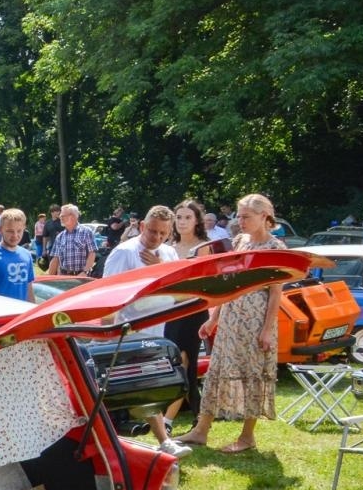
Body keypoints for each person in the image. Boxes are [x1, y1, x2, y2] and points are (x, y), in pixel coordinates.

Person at [177, 194, 288, 454]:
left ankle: (247, 436)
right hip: (231, 315)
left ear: (264, 216)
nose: (241, 221)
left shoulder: (275, 247)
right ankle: (201, 430)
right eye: (239, 215)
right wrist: (213, 318)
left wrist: (266, 330)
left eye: (246, 216)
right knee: (216, 370)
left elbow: (275, 293)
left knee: (252, 374)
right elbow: (230, 285)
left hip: (257, 318)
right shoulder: (240, 241)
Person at [101, 205, 189, 457]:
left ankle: (162, 440)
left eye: (163, 233)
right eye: (152, 232)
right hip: (128, 333)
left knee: (148, 387)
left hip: (157, 332)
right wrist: (109, 333)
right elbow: (109, 295)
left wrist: (159, 269)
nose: (157, 238)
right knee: (128, 389)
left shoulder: (169, 253)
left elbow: (179, 292)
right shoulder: (124, 253)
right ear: (142, 226)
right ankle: (118, 442)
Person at [163, 199, 214, 427]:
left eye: (187, 217)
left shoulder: (203, 246)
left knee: (185, 360)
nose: (182, 222)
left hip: (193, 309)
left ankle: (172, 419)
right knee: (175, 360)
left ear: (197, 221)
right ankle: (195, 411)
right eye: (179, 217)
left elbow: (204, 281)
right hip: (171, 310)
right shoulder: (169, 247)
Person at [47, 203, 97, 277]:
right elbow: (55, 258)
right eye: (60, 216)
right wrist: (49, 278)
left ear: (73, 216)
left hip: (81, 276)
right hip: (64, 277)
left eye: (63, 216)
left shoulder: (86, 232)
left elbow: (92, 253)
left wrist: (85, 272)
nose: (60, 217)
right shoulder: (60, 236)